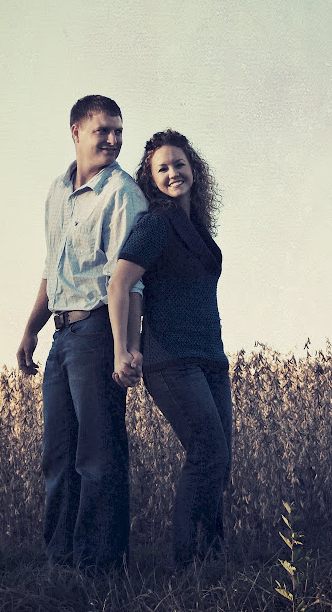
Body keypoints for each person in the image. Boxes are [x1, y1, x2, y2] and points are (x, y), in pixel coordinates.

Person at [16, 95, 147, 571]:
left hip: (97, 333)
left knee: (98, 456)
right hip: (61, 336)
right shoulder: (57, 191)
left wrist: (124, 349)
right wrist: (31, 330)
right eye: (102, 130)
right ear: (76, 132)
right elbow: (52, 268)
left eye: (118, 131)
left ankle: (101, 568)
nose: (112, 139)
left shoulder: (124, 195)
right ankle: (61, 563)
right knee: (57, 456)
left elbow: (131, 284)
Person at [108, 129, 232, 567]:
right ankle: (187, 564)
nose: (173, 172)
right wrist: (123, 349)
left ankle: (212, 560)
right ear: (151, 179)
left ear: (194, 169)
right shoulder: (155, 224)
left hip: (211, 358)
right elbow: (119, 285)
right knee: (207, 453)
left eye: (179, 164)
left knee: (220, 460)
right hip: (171, 360)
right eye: (162, 168)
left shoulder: (196, 227)